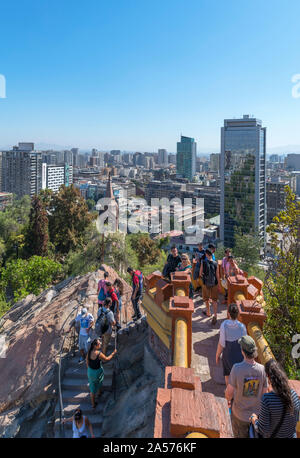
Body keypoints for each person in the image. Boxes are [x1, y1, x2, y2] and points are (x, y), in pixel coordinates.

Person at [225, 335, 268, 438]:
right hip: (256, 416)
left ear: (242, 351)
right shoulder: (262, 370)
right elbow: (264, 395)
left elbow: (228, 394)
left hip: (239, 415)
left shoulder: (236, 368)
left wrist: (229, 399)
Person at [250, 359, 300, 438]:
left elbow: (262, 430)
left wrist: (254, 419)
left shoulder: (267, 399)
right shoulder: (294, 395)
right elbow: (296, 420)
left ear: (268, 377)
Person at [215, 303, 247, 385]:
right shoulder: (242, 327)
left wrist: (217, 355)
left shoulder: (224, 325)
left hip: (227, 354)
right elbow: (245, 343)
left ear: (228, 313)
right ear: (238, 314)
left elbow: (221, 343)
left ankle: (229, 394)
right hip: (239, 354)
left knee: (227, 375)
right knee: (237, 376)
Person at [86, 338, 117, 408]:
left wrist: (89, 370)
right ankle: (99, 393)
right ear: (95, 346)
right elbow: (107, 359)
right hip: (97, 371)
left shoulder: (89, 352)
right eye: (99, 344)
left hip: (90, 372)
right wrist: (113, 353)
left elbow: (87, 362)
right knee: (99, 381)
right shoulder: (98, 353)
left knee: (92, 387)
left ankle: (93, 404)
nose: (100, 344)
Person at [200, 249, 220, 325]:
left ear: (206, 254)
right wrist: (219, 285)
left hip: (206, 283)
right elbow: (217, 275)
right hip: (214, 283)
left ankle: (208, 312)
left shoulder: (203, 262)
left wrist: (204, 276)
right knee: (214, 300)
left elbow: (200, 273)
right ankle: (215, 315)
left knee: (206, 298)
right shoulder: (215, 263)